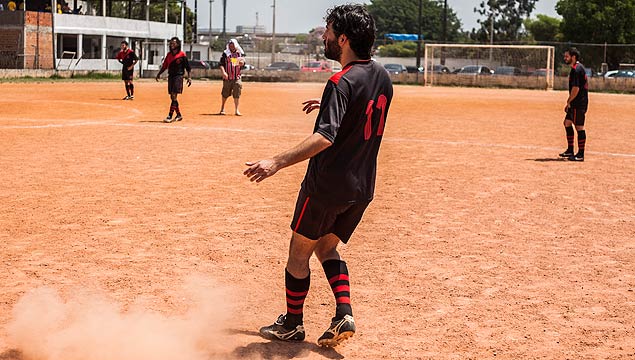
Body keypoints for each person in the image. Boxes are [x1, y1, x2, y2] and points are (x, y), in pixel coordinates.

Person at [244, 4, 392, 347]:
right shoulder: (382, 75)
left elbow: (324, 138)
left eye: (327, 32)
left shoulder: (340, 81)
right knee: (327, 248)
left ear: (342, 39)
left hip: (326, 187)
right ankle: (344, 313)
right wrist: (331, 103)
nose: (323, 37)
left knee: (298, 255)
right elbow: (363, 108)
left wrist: (276, 162)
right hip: (362, 188)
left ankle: (292, 325)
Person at [559, 47, 588, 162]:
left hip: (578, 103)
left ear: (573, 57)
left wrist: (569, 101)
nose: (565, 58)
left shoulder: (577, 70)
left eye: (567, 56)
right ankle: (570, 150)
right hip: (575, 102)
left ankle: (580, 154)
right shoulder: (576, 68)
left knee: (579, 127)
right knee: (567, 123)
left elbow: (576, 89)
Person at [156, 37, 191, 123]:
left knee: (174, 95)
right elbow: (164, 66)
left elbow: (188, 67)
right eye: (171, 43)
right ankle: (179, 115)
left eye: (174, 43)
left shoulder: (182, 55)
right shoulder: (169, 55)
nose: (172, 45)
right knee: (172, 97)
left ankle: (170, 116)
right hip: (171, 76)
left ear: (178, 44)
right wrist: (159, 73)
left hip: (178, 77)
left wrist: (189, 77)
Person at [218, 39, 245, 116]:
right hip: (227, 78)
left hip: (237, 77)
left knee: (237, 93)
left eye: (233, 46)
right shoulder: (225, 54)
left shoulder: (240, 53)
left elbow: (243, 62)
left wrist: (241, 63)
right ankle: (222, 108)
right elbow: (221, 64)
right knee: (225, 93)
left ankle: (236, 110)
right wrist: (224, 72)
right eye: (230, 46)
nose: (231, 47)